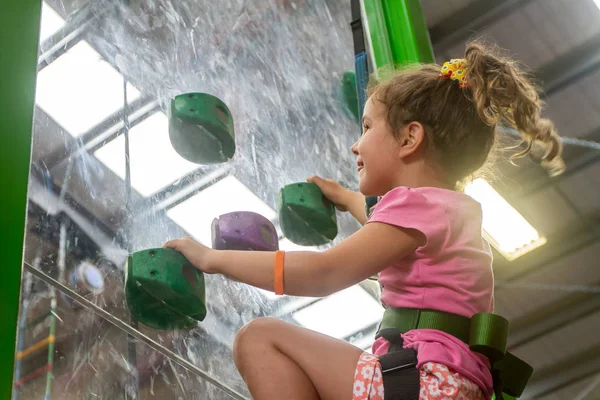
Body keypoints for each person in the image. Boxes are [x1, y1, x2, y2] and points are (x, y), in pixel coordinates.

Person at [163, 41, 564, 400]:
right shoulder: (451, 210)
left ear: (410, 139)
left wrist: (212, 259)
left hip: (421, 383)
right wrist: (345, 197)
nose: (356, 144)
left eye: (368, 127)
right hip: (452, 385)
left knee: (260, 338)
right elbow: (385, 229)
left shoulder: (415, 207)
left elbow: (324, 271)